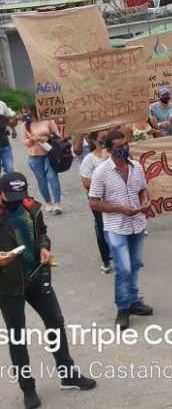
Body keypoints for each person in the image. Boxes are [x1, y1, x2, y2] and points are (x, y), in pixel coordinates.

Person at [0, 172, 96, 409]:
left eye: (19, 195)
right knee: (17, 336)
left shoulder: (30, 207)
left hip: (36, 275)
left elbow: (42, 232)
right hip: (8, 284)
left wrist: (44, 247)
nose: (16, 200)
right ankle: (28, 388)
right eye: (10, 196)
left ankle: (67, 374)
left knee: (55, 321)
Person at [88, 130, 153, 330]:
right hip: (116, 227)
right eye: (119, 147)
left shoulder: (137, 167)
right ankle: (123, 308)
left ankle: (133, 301)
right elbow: (94, 202)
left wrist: (144, 200)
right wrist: (121, 209)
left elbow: (143, 188)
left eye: (125, 144)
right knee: (123, 267)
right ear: (109, 150)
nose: (124, 149)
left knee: (135, 264)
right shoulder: (101, 172)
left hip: (137, 224)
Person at [79, 130, 112, 273]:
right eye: (102, 138)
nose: (105, 140)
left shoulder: (115, 154)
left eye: (107, 137)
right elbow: (86, 183)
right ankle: (106, 260)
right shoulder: (89, 159)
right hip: (98, 199)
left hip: (116, 196)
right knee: (102, 227)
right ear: (94, 141)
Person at [19, 106, 63, 215]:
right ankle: (48, 203)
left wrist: (47, 138)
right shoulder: (25, 125)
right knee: (41, 180)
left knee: (52, 177)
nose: (25, 113)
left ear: (34, 110)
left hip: (49, 154)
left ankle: (57, 204)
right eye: (24, 112)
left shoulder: (47, 120)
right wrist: (32, 139)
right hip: (34, 156)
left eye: (27, 111)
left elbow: (57, 135)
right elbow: (24, 142)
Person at [0, 99, 18, 174]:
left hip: (4, 144)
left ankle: (8, 185)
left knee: (10, 169)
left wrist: (13, 129)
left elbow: (11, 116)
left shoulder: (1, 104)